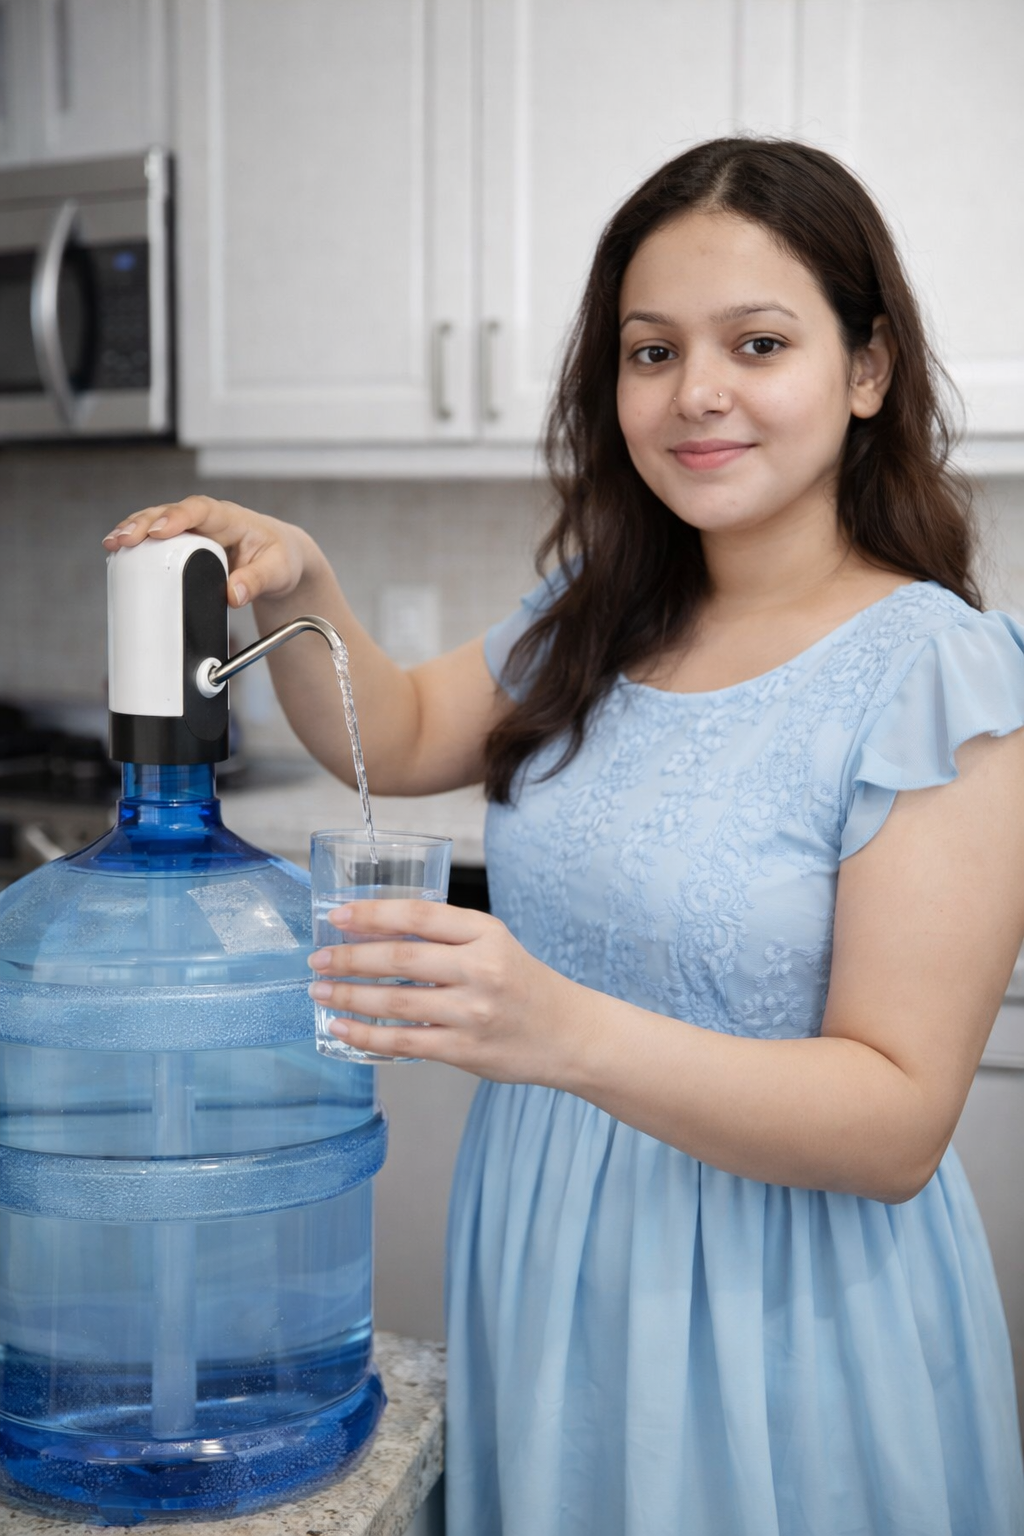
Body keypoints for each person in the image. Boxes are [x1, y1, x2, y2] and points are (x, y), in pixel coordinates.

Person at [104, 137, 1024, 1536]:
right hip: (549, 1261)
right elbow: (392, 737)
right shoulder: (598, 613)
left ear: (867, 370)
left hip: (781, 1318)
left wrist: (552, 1028)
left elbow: (897, 1122)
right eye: (651, 353)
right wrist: (302, 584)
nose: (695, 393)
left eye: (757, 342)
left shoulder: (941, 676)